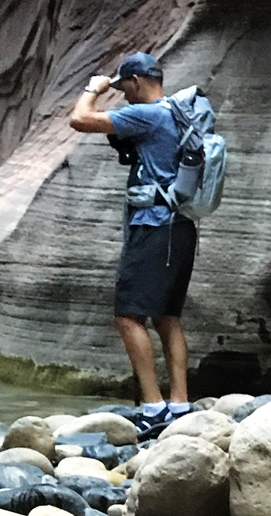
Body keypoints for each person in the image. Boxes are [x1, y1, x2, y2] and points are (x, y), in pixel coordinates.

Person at [69, 51, 197, 433]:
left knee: (127, 316)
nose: (123, 95)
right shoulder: (178, 113)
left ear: (138, 82)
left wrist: (94, 89)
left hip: (154, 226)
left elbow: (79, 120)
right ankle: (179, 404)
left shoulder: (150, 114)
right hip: (181, 226)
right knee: (167, 316)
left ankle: (154, 407)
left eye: (125, 88)